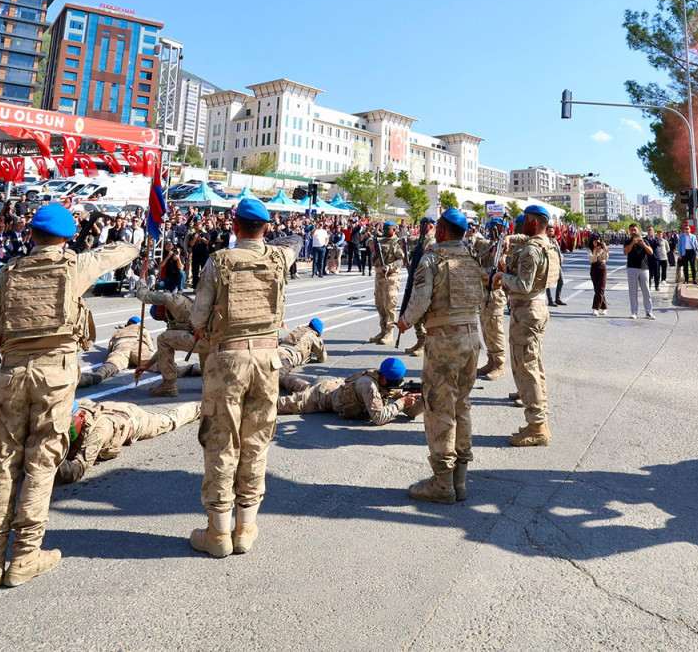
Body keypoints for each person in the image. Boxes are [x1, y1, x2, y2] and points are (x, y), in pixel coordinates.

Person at [0, 203, 140, 589]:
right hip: (55, 375)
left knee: (3, 462)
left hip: (11, 373)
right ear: (68, 237)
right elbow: (121, 252)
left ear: (32, 235)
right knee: (42, 463)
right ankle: (26, 557)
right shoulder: (75, 266)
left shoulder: (8, 273)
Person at [187, 196, 298, 558]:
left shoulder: (219, 261)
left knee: (222, 440)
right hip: (268, 360)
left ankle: (218, 533)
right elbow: (292, 245)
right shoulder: (278, 259)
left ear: (234, 226)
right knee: (256, 441)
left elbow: (198, 319)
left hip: (228, 360)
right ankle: (246, 528)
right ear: (266, 227)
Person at [399, 207, 486, 503]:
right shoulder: (471, 257)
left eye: (437, 225)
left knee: (439, 408)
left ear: (444, 230)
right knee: (462, 404)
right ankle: (459, 481)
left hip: (444, 339)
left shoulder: (433, 258)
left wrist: (404, 321)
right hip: (472, 336)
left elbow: (420, 301)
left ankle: (442, 483)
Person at [494, 205, 556, 447]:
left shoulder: (531, 250)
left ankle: (537, 427)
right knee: (534, 366)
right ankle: (539, 421)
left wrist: (501, 278)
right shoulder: (546, 243)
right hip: (538, 308)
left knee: (526, 368)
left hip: (527, 311)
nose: (523, 222)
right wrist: (510, 237)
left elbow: (524, 284)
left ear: (533, 221)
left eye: (526, 219)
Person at [55, 398, 200, 485]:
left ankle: (201, 407)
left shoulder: (100, 429)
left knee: (168, 421)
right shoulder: (69, 411)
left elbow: (77, 469)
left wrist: (51, 463)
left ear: (80, 416)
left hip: (131, 418)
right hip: (101, 406)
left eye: (68, 424)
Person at [275, 359, 420, 424]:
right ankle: (256, 399)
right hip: (323, 396)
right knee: (283, 404)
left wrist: (423, 400)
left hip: (334, 387)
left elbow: (410, 413)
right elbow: (378, 417)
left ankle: (279, 377)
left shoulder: (384, 381)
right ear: (387, 380)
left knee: (299, 385)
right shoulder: (369, 386)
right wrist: (401, 403)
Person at [475, 219, 510, 377]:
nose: (492, 231)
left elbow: (499, 272)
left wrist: (481, 273)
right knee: (485, 328)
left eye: (495, 229)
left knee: (495, 329)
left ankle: (499, 364)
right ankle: (491, 361)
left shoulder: (506, 247)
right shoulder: (488, 246)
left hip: (495, 293)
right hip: (483, 293)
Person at [78, 316, 153, 386]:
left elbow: (111, 346)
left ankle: (98, 375)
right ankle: (164, 370)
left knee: (112, 364)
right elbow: (150, 345)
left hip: (121, 346)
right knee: (154, 362)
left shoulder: (120, 330)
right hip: (138, 345)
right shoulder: (142, 328)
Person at [400, 216, 435, 357]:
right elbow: (406, 240)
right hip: (415, 277)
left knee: (423, 312)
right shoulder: (421, 239)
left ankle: (425, 342)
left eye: (425, 224)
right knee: (412, 305)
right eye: (421, 224)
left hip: (425, 279)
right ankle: (420, 340)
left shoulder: (432, 240)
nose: (422, 227)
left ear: (431, 226)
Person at [367, 220, 404, 345]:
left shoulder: (397, 243)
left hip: (391, 277)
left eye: (388, 228)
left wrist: (390, 266)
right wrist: (371, 242)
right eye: (384, 228)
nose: (385, 230)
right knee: (380, 305)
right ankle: (382, 330)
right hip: (379, 277)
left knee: (390, 305)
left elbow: (401, 259)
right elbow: (368, 241)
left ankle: (389, 331)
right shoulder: (379, 241)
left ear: (394, 229)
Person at [622, 224, 653, 320]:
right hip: (632, 268)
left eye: (634, 230)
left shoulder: (645, 241)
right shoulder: (627, 241)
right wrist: (632, 243)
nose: (633, 232)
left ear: (638, 230)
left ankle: (648, 312)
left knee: (646, 291)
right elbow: (625, 251)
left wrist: (642, 243)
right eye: (631, 230)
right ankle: (634, 312)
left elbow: (651, 252)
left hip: (644, 268)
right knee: (633, 291)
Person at [587, 233, 609, 316]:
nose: (597, 243)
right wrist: (595, 253)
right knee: (597, 289)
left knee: (601, 288)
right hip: (594, 268)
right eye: (595, 242)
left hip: (602, 267)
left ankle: (595, 308)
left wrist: (605, 249)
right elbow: (591, 260)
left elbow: (605, 258)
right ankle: (604, 307)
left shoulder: (603, 248)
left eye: (598, 241)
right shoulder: (590, 249)